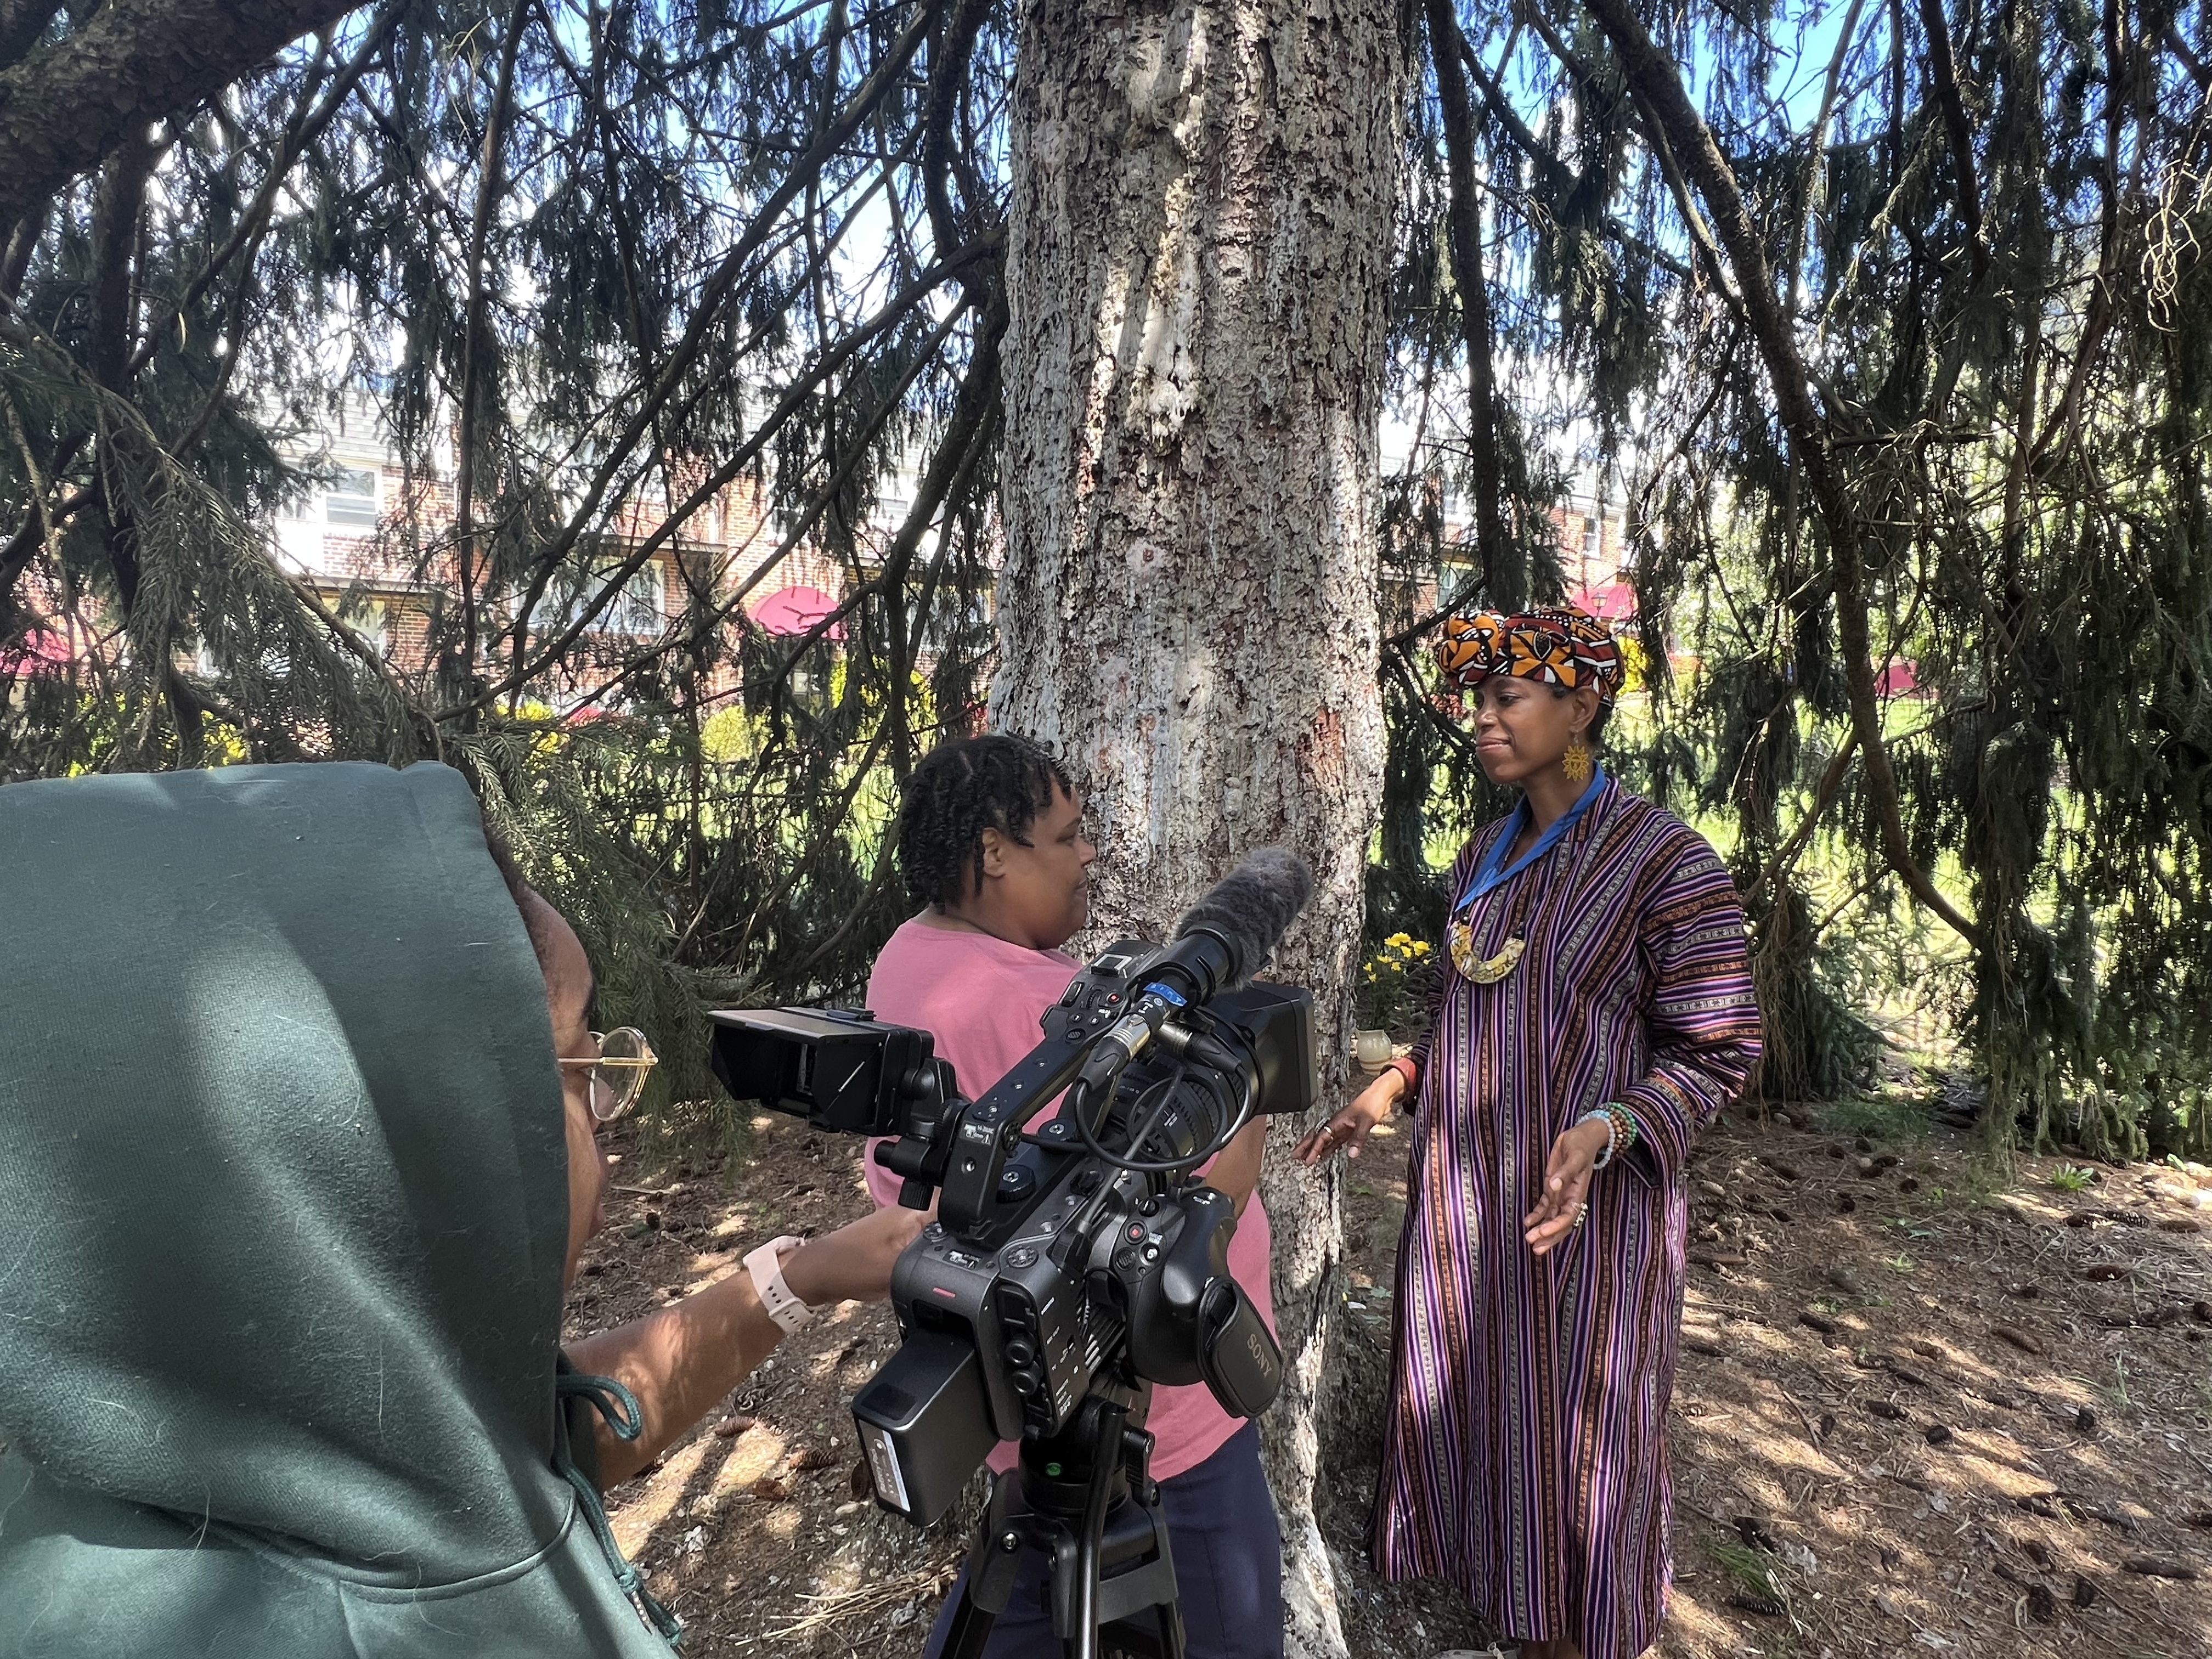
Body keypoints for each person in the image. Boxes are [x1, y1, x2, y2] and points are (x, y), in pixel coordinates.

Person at [0, 760, 922, 1658]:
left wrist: (797, 1278)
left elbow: (518, 1447)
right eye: (579, 1066)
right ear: (415, 1136)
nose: (603, 1133)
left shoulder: (115, 1478)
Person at [1296, 606, 1763, 1659]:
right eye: (1478, 700)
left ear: (1582, 706)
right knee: (1480, 1402)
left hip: (1589, 1216)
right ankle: (1509, 1608)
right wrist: (1396, 1082)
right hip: (1466, 1203)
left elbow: (1720, 1048)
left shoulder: (1666, 862)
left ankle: (1587, 1633)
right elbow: (1456, 1006)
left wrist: (1610, 1124)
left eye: (1509, 698)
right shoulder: (1482, 856)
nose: (1484, 719)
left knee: (1585, 1428)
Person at [861, 732, 1285, 1659]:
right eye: (1068, 836)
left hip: (1029, 1422)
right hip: (1162, 1440)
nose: (1089, 854)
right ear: (993, 853)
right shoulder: (1040, 1016)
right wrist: (1246, 1086)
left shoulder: (906, 960)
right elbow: (1205, 1197)